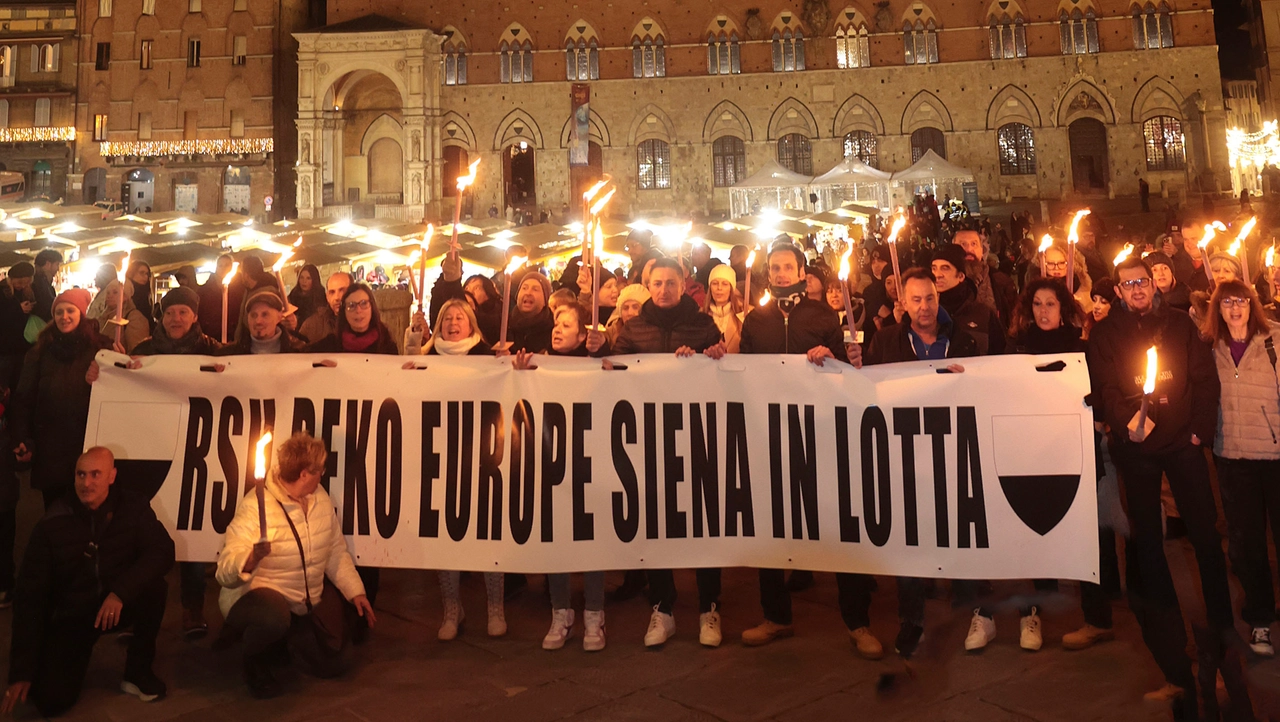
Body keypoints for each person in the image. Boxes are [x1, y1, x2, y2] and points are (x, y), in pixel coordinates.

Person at [1088, 254, 1230, 716]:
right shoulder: (1107, 333)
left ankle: (1220, 613)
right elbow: (1106, 385)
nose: (1137, 290)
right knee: (1148, 535)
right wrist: (1126, 422)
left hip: (1182, 443)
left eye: (1142, 282)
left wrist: (1198, 432)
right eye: (1128, 284)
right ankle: (1161, 615)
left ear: (1154, 284)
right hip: (1138, 447)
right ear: (1118, 291)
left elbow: (1204, 380)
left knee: (1204, 532)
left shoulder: (1179, 325)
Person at [737, 244, 876, 655]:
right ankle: (775, 615)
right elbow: (744, 370)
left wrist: (836, 355)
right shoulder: (756, 320)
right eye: (774, 268)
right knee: (770, 522)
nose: (781, 273)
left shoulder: (822, 316)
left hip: (818, 431)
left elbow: (844, 370)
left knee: (837, 518)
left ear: (801, 271)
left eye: (787, 267)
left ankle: (858, 621)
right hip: (771, 432)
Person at [609, 258, 727, 647]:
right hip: (649, 438)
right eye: (657, 283)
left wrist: (713, 356)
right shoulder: (633, 328)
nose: (664, 289)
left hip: (695, 436)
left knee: (703, 519)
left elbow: (722, 367)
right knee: (656, 520)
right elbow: (614, 374)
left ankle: (710, 606)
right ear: (647, 286)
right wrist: (598, 357)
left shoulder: (702, 324)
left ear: (682, 285)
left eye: (671, 283)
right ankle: (663, 606)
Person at [3, 448, 173, 717]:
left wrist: (120, 592)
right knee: (50, 701)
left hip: (114, 603)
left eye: (96, 475)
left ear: (112, 476)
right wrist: (22, 671)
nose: (87, 483)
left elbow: (162, 551)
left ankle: (138, 671)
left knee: (154, 588)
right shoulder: (52, 524)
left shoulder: (133, 507)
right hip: (73, 614)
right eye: (81, 475)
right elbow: (29, 599)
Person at [863, 267, 977, 658]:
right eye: (916, 300)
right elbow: (869, 388)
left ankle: (974, 607)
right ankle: (911, 620)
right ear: (904, 304)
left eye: (930, 298)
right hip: (904, 453)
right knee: (908, 539)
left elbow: (982, 386)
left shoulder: (963, 339)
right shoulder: (887, 341)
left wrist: (969, 378)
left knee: (960, 529)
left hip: (952, 450)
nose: (924, 307)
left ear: (938, 299)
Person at [215, 431, 374, 699]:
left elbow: (334, 550)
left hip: (303, 598)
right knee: (273, 617)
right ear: (303, 473)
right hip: (260, 598)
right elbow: (224, 570)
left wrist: (355, 591)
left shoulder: (320, 498)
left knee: (337, 661)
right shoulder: (255, 506)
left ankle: (286, 641)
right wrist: (249, 559)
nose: (322, 475)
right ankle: (253, 659)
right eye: (319, 470)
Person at [404, 299, 507, 637]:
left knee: (488, 533)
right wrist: (410, 354)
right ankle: (452, 608)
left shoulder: (488, 357)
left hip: (481, 454)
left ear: (471, 324)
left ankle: (495, 607)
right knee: (444, 533)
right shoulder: (426, 357)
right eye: (446, 317)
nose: (452, 322)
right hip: (439, 456)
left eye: (459, 317)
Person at [125, 286, 222, 640]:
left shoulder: (212, 350)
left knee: (191, 532)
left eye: (183, 312)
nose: (175, 319)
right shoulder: (144, 351)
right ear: (160, 317)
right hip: (155, 450)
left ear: (195, 316)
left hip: (197, 450)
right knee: (146, 534)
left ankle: (192, 609)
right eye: (169, 313)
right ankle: (135, 612)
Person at [305, 282, 396, 623]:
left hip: (374, 448)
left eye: (363, 305)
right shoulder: (327, 347)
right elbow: (286, 365)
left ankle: (363, 604)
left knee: (367, 524)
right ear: (341, 312)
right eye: (351, 306)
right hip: (337, 445)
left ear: (373, 308)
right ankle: (336, 605)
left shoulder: (389, 346)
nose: (358, 311)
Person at [1200, 279, 1280, 657]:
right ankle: (1260, 619)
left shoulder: (1274, 340)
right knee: (1246, 546)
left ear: (1253, 305)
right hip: (1232, 457)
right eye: (1227, 302)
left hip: (1275, 455)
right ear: (1218, 307)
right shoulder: (1207, 348)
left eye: (1242, 301)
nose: (1235, 308)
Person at [10, 290, 114, 509]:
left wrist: (121, 362)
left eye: (70, 310)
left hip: (86, 444)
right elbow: (23, 399)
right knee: (56, 511)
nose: (64, 316)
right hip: (50, 445)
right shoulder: (39, 351)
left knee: (88, 508)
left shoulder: (101, 348)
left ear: (81, 313)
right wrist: (22, 437)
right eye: (59, 312)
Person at [931, 244, 1006, 356]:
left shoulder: (984, 314)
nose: (937, 275)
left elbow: (1000, 354)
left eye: (945, 268)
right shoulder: (923, 313)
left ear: (961, 276)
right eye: (934, 268)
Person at [217, 287, 306, 355]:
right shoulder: (232, 353)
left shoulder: (299, 351)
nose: (258, 321)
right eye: (253, 315)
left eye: (265, 315)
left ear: (279, 317)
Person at [0, 262, 34, 392]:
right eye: (19, 282)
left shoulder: (27, 291)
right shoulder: (2, 291)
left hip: (22, 346)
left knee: (18, 384)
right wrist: (18, 309)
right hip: (5, 348)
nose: (22, 286)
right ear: (11, 279)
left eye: (26, 282)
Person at [92, 281, 149, 354]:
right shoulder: (103, 316)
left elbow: (137, 350)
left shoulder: (134, 317)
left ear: (125, 296)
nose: (110, 296)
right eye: (108, 293)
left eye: (115, 292)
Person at [505, 272, 554, 354]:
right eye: (524, 288)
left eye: (535, 289)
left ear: (545, 300)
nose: (528, 293)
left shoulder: (553, 330)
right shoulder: (505, 326)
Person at [299, 271, 352, 344]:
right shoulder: (312, 325)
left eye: (342, 290)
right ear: (327, 297)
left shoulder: (364, 321)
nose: (337, 297)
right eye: (332, 292)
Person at [702, 264, 744, 354]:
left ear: (731, 288)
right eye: (715, 283)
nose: (719, 288)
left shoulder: (743, 315)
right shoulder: (699, 315)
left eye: (725, 284)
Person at [197, 255, 235, 340]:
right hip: (210, 334)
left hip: (232, 335)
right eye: (220, 265)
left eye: (227, 265)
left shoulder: (239, 288)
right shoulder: (205, 290)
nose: (223, 268)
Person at [287, 264, 327, 328]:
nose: (304, 281)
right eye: (301, 277)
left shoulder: (319, 296)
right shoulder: (294, 294)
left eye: (308, 278)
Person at [30, 249, 61, 323]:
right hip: (39, 327)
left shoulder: (42, 281)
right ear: (48, 264)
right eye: (57, 264)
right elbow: (46, 307)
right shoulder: (39, 283)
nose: (58, 269)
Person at [125, 260, 155, 334]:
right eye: (141, 273)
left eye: (147, 274)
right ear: (132, 273)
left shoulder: (145, 294)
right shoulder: (125, 293)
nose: (145, 277)